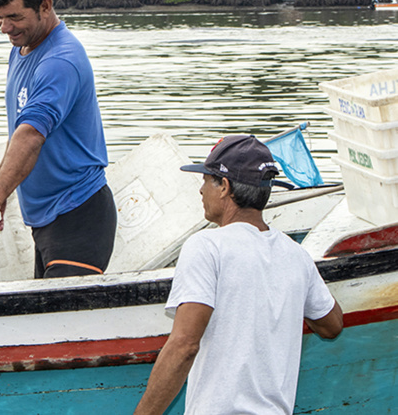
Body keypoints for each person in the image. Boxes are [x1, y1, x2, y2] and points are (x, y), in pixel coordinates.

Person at [134, 135, 343, 415]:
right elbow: (332, 326)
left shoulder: (206, 246)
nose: (200, 190)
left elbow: (184, 345)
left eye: (207, 180)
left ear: (225, 187)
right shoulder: (296, 255)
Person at [0, 0, 117, 278]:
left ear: (45, 6)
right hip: (44, 219)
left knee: (62, 325)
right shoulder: (22, 47)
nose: (5, 28)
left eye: (15, 17)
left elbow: (31, 135)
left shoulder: (60, 61)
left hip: (78, 216)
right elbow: (18, 132)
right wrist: (2, 195)